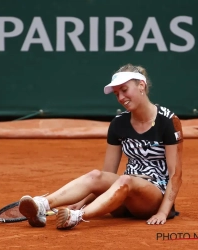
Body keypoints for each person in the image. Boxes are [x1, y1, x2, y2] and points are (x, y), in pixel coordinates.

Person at [18, 63, 183, 229]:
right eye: (117, 94)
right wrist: (81, 202)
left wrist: (163, 212)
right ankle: (42, 205)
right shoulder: (118, 123)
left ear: (141, 85)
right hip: (123, 195)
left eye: (124, 90)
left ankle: (78, 217)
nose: (120, 98)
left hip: (152, 197)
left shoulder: (168, 121)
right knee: (95, 175)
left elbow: (175, 175)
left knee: (126, 179)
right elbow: (107, 175)